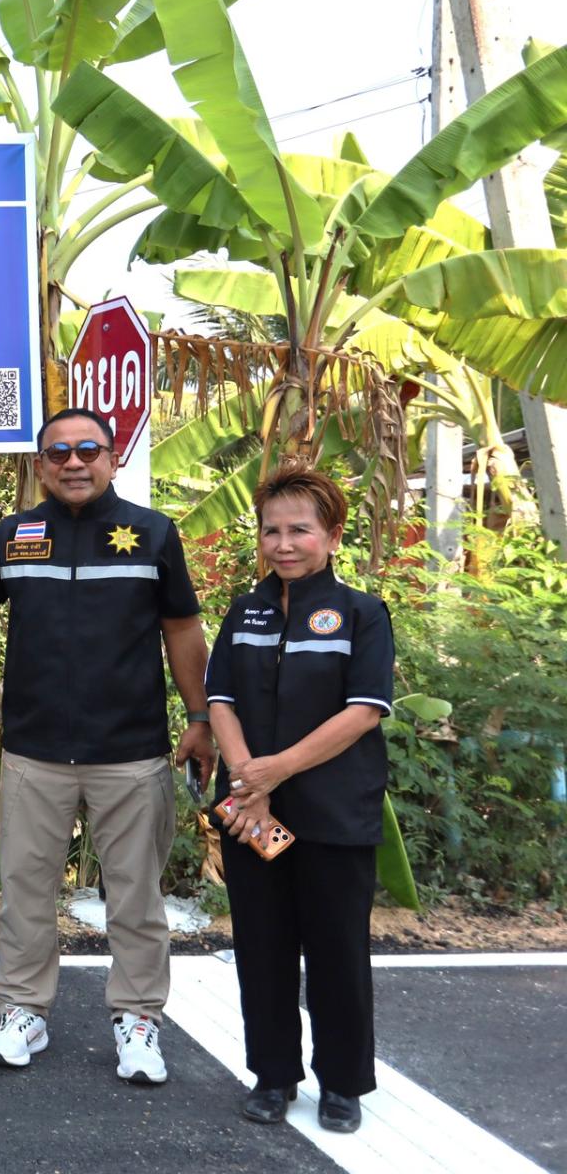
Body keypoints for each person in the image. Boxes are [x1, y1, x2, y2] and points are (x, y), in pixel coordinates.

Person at [0, 407, 213, 1084]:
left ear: (112, 458)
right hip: (34, 750)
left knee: (135, 897)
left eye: (89, 450)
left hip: (130, 752)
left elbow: (182, 629)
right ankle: (23, 1011)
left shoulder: (152, 533)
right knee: (25, 892)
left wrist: (199, 716)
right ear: (40, 465)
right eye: (58, 453)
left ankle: (138, 1019)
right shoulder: (12, 537)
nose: (74, 462)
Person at [205, 465, 394, 1134]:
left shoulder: (362, 614)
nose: (283, 544)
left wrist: (274, 772)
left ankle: (342, 1083)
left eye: (300, 530)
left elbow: (364, 711)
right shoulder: (244, 611)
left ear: (333, 536)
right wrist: (247, 782)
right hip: (252, 814)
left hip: (335, 814)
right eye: (271, 531)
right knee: (262, 947)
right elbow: (219, 700)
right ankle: (273, 1074)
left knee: (338, 951)